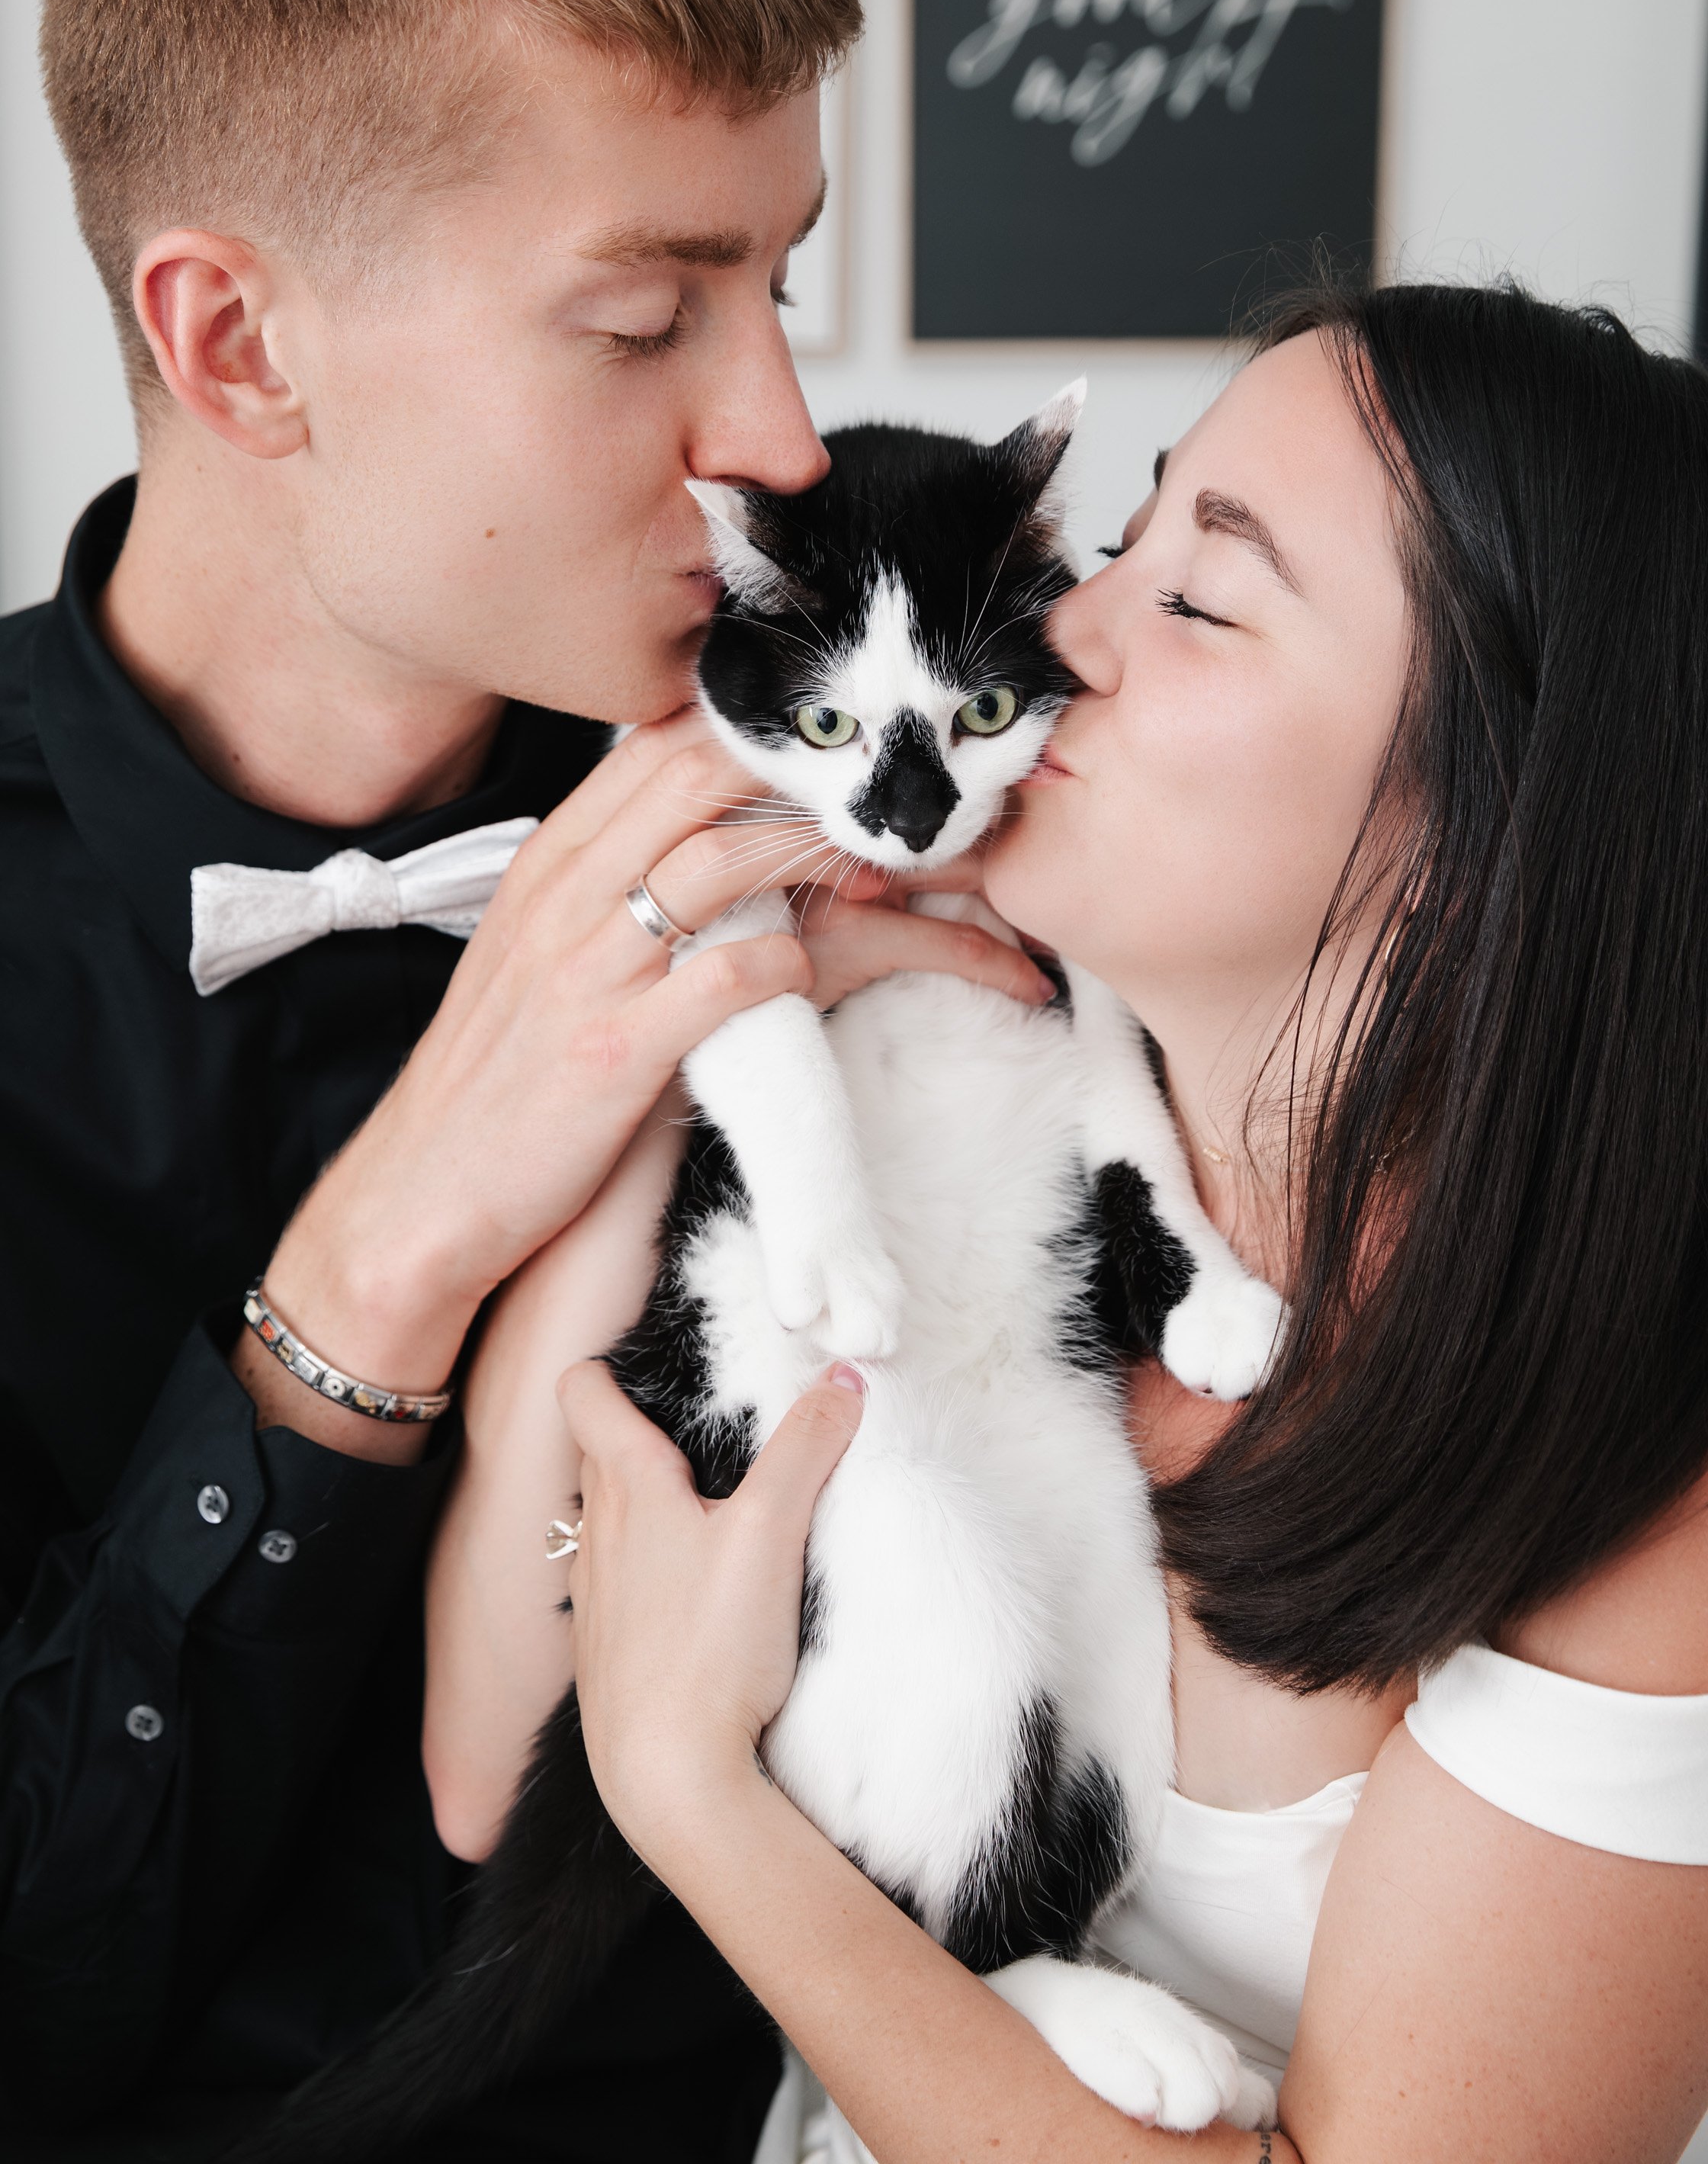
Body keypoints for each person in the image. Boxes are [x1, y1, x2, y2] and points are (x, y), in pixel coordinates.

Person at [0, 0, 1052, 2162]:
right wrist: (369, 1275)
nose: (786, 433)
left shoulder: (878, 807)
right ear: (237, 343)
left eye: (777, 281)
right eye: (643, 314)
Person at [427, 284, 1708, 2164]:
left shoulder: (1641, 1512)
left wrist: (696, 1791)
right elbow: (484, 1760)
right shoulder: (980, 1091)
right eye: (1116, 541)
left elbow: (632, 1740)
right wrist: (678, 1025)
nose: (1059, 631)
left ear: (1496, 809)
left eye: (1193, 596)